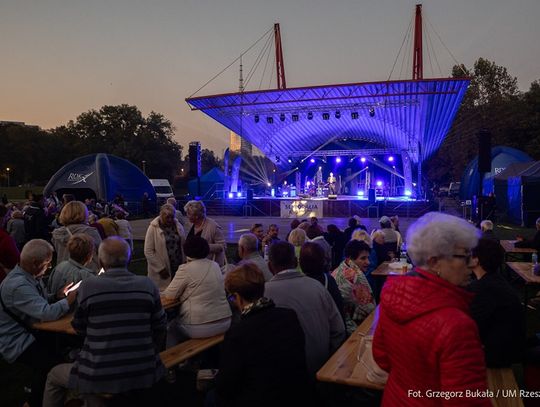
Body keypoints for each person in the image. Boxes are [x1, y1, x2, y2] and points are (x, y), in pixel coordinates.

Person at [373, 212, 490, 406]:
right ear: (435, 262)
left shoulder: (392, 295)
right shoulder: (457, 326)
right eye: (465, 256)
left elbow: (382, 358)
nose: (473, 263)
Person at [43, 237, 167, 406]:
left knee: (54, 376)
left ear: (100, 261)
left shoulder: (88, 287)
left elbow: (79, 327)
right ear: (129, 259)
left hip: (98, 372)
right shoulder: (147, 285)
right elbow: (160, 326)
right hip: (145, 369)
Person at [213, 263, 310, 407]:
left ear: (237, 298)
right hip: (297, 395)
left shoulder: (238, 334)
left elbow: (225, 386)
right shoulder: (289, 316)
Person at [0, 239, 76, 407]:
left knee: (62, 350)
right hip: (18, 342)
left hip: (32, 332)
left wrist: (57, 296)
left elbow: (38, 302)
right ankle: (34, 402)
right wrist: (69, 301)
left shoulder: (26, 276)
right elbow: (46, 313)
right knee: (53, 367)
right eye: (47, 263)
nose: (48, 267)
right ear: (35, 263)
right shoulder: (18, 285)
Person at [264, 241, 345, 376]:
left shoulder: (263, 294)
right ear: (296, 262)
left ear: (269, 266)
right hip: (320, 371)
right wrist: (328, 362)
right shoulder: (318, 288)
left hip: (281, 376)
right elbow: (339, 330)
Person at [162, 236, 231, 345]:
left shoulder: (185, 269)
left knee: (172, 327)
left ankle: (174, 359)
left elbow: (170, 295)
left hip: (199, 325)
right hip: (225, 320)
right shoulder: (215, 265)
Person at [469, 238, 525, 367]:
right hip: (508, 349)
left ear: (476, 260)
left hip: (498, 355)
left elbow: (471, 328)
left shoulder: (483, 289)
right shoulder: (495, 281)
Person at [331, 240, 375, 335]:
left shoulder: (339, 269)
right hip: (352, 330)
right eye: (363, 258)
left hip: (338, 326)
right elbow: (369, 310)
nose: (368, 262)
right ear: (351, 258)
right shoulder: (355, 276)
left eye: (368, 258)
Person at [299, 242, 345, 322]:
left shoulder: (299, 285)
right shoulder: (329, 280)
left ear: (300, 262)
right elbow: (339, 310)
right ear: (323, 261)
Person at [144, 203, 186, 291]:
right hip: (162, 268)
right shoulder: (153, 228)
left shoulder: (178, 226)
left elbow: (183, 244)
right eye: (167, 217)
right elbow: (148, 251)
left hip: (178, 265)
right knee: (163, 294)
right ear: (161, 215)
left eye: (172, 216)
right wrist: (160, 268)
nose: (170, 219)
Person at [51, 201, 102, 272]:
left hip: (64, 272)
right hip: (88, 272)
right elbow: (101, 253)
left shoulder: (57, 234)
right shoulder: (90, 232)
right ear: (84, 214)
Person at [184, 200, 226, 266]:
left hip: (208, 266)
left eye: (189, 214)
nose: (187, 216)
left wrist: (204, 247)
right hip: (191, 265)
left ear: (196, 216)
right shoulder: (190, 224)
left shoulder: (213, 226)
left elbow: (222, 246)